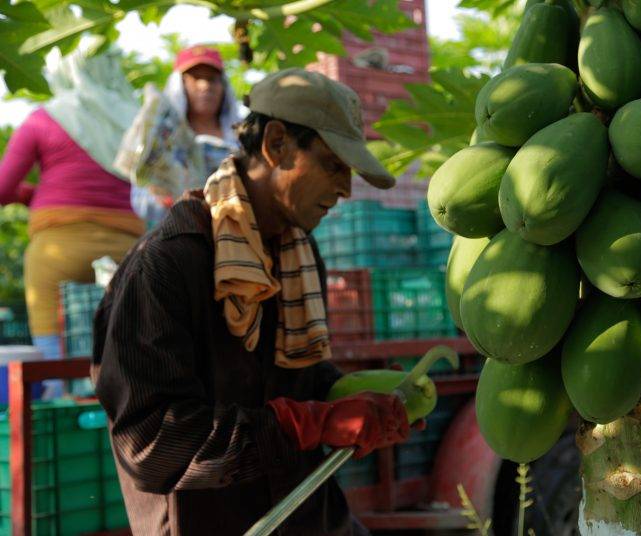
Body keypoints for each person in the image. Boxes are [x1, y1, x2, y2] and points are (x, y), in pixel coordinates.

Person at [92, 68, 414, 535]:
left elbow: (293, 379)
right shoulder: (165, 266)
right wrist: (308, 424)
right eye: (332, 164)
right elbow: (152, 443)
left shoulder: (298, 252)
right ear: (277, 143)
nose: (346, 189)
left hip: (309, 517)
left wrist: (355, 400)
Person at [0, 49, 143, 395]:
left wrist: (27, 194)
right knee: (130, 348)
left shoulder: (43, 120)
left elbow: (2, 187)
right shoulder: (135, 120)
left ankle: (61, 403)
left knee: (53, 356)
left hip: (57, 250)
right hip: (129, 250)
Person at [129, 45, 241, 228]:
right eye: (196, 78)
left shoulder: (240, 138)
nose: (205, 86)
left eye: (212, 79)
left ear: (223, 86)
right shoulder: (161, 138)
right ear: (180, 85)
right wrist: (163, 199)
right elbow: (140, 199)